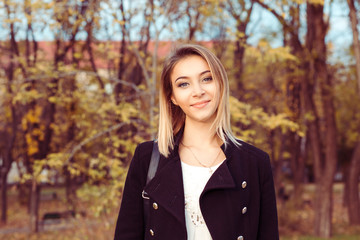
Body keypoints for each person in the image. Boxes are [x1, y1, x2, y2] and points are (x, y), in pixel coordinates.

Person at [114, 44, 279, 240]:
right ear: (172, 97)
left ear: (220, 84)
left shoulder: (255, 163)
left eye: (207, 79)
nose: (198, 91)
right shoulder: (148, 158)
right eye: (184, 84)